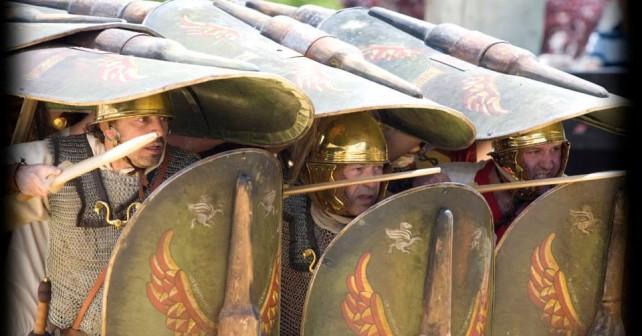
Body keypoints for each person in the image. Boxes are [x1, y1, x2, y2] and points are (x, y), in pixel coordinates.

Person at [5, 93, 199, 336]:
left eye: (163, 119)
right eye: (143, 120)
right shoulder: (58, 158)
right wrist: (17, 176)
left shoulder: (186, 171)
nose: (158, 131)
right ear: (109, 128)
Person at [280, 113, 388, 335]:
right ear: (326, 172)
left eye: (377, 169)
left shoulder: (391, 224)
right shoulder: (286, 221)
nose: (371, 182)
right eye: (358, 170)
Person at [414, 122, 569, 239]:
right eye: (535, 151)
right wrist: (429, 200)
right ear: (507, 155)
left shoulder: (572, 192)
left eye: (555, 149)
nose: (548, 164)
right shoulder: (453, 181)